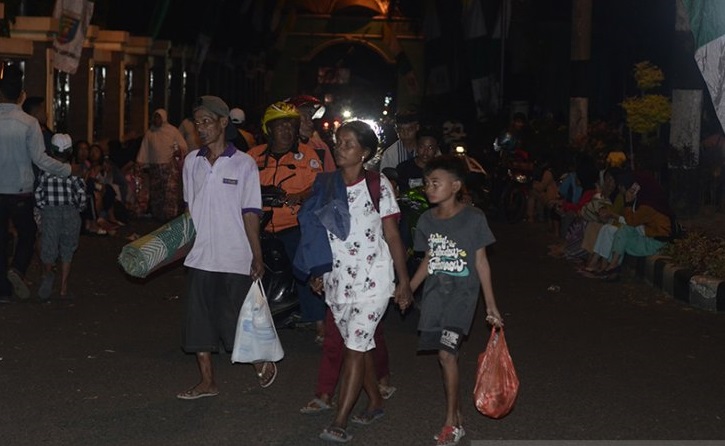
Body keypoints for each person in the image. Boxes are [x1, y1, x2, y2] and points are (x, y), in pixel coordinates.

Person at [297, 120, 412, 443]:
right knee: (359, 347)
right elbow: (318, 234)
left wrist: (403, 282)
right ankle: (375, 402)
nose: (340, 148)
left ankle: (340, 420)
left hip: (373, 280)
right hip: (338, 281)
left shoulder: (378, 185)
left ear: (365, 152)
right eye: (338, 142)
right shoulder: (327, 184)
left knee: (354, 348)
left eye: (348, 144)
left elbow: (392, 235)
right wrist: (318, 271)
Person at [177, 95, 272, 400]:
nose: (201, 128)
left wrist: (256, 254)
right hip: (200, 254)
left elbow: (250, 212)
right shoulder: (191, 162)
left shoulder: (244, 164)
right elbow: (190, 210)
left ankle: (259, 359)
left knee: (238, 316)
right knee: (199, 320)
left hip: (235, 255)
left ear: (222, 122)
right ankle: (207, 381)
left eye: (207, 121)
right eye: (197, 122)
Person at [409, 155, 503, 446]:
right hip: (435, 297)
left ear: (456, 185)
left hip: (462, 299)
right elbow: (429, 259)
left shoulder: (474, 218)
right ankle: (457, 413)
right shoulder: (425, 220)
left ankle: (451, 423)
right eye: (426, 183)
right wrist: (408, 289)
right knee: (444, 355)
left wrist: (490, 305)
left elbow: (481, 262)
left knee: (446, 354)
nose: (429, 188)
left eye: (436, 182)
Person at [247, 102, 326, 344]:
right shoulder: (253, 156)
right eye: (280, 126)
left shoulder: (307, 156)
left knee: (305, 267)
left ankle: (320, 324)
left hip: (291, 224)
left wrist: (299, 195)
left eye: (291, 126)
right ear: (269, 129)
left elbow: (319, 186)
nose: (287, 131)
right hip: (256, 226)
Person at [0, 64, 77, 303]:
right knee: (28, 232)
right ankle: (18, 269)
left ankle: (3, 291)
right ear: (21, 95)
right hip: (21, 189)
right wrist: (65, 169)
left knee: (1, 238)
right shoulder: (29, 123)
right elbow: (39, 158)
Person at [34, 134, 87, 300]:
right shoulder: (74, 173)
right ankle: (63, 287)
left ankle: (47, 275)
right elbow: (82, 195)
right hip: (70, 212)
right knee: (67, 249)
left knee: (49, 247)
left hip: (50, 212)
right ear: (71, 151)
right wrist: (77, 209)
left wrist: (43, 209)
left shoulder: (45, 172)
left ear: (51, 151)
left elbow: (38, 194)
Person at [136, 108, 188, 221]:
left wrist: (178, 151)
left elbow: (183, 146)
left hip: (169, 167)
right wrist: (141, 162)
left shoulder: (172, 131)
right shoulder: (150, 133)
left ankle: (170, 216)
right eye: (155, 117)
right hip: (155, 168)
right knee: (157, 192)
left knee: (169, 192)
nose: (156, 120)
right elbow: (145, 149)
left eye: (158, 117)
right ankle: (158, 215)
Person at [286, 95, 336, 172]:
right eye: (305, 118)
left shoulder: (320, 147)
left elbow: (330, 178)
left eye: (310, 117)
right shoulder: (279, 148)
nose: (310, 123)